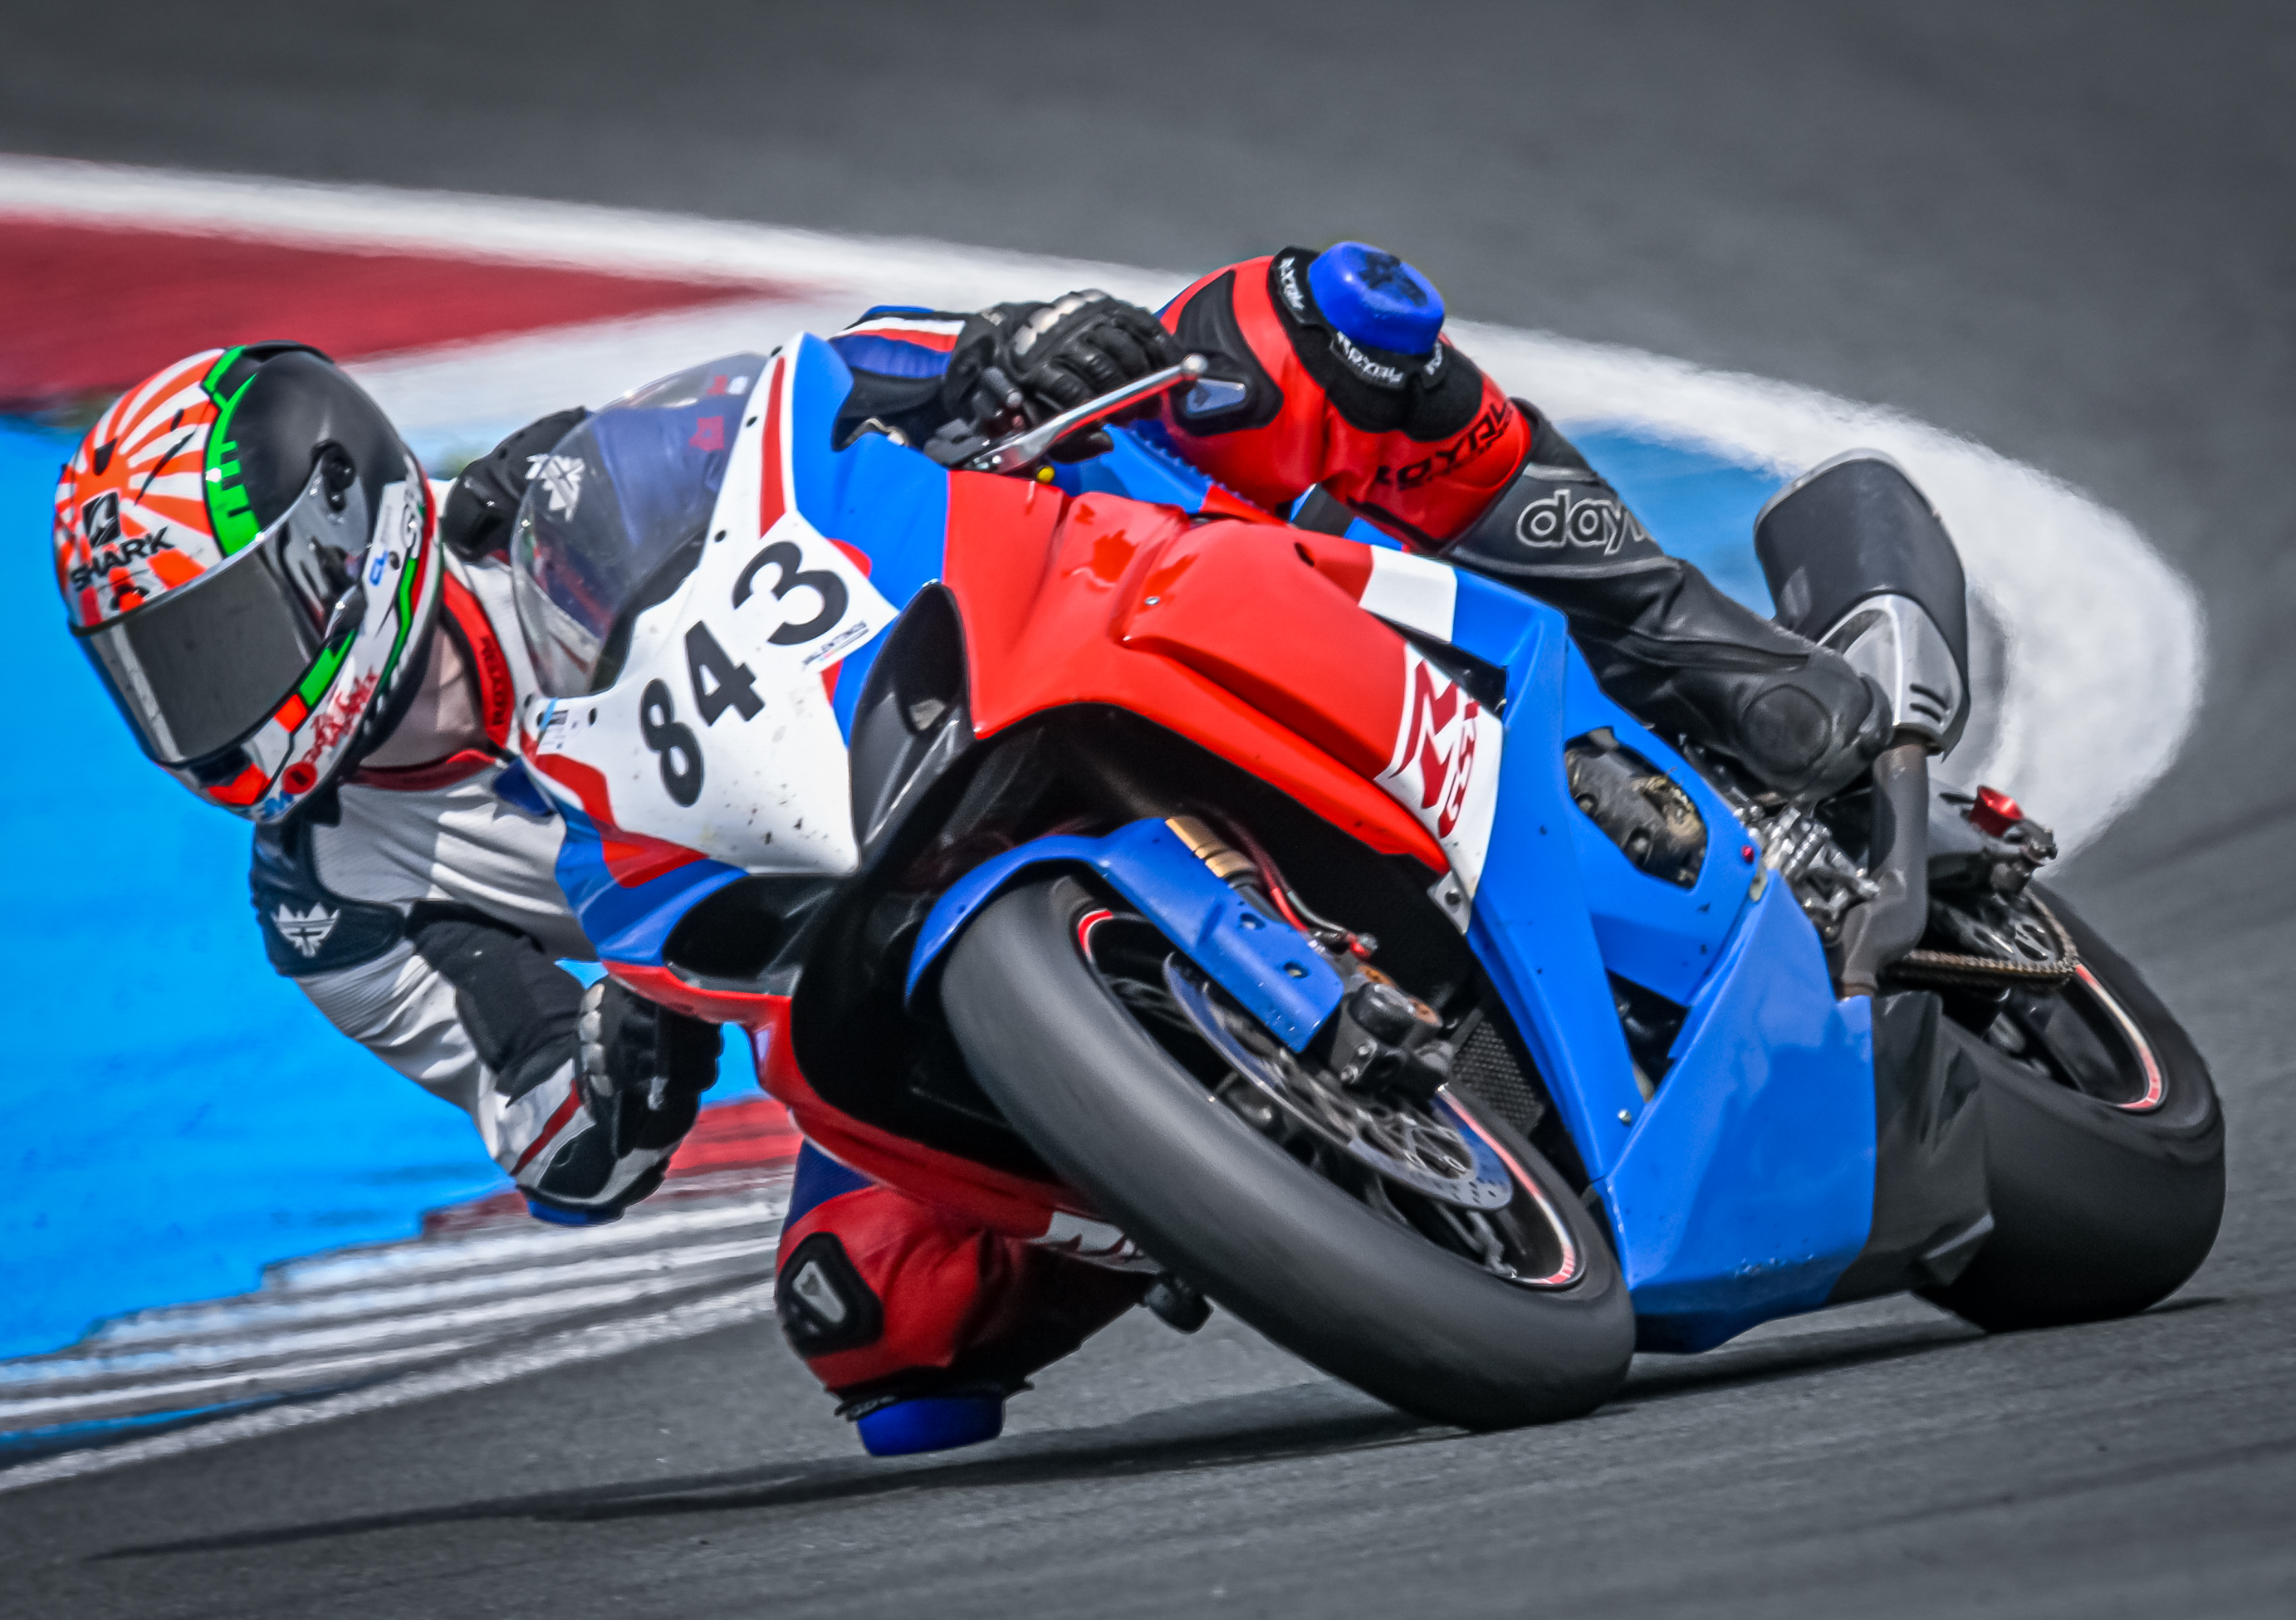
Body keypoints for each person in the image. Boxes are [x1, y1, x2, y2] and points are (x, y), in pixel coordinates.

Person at [54, 244, 1884, 1456]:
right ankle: (1224, 1164)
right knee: (871, 1323)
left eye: (213, 641)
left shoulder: (539, 492)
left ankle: (1706, 652)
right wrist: (612, 1065)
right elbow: (535, 1113)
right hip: (851, 940)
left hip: (988, 657)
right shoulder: (336, 892)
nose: (209, 711)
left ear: (343, 537)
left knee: (1297, 326)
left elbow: (819, 394)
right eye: (159, 678)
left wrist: (1003, 355)